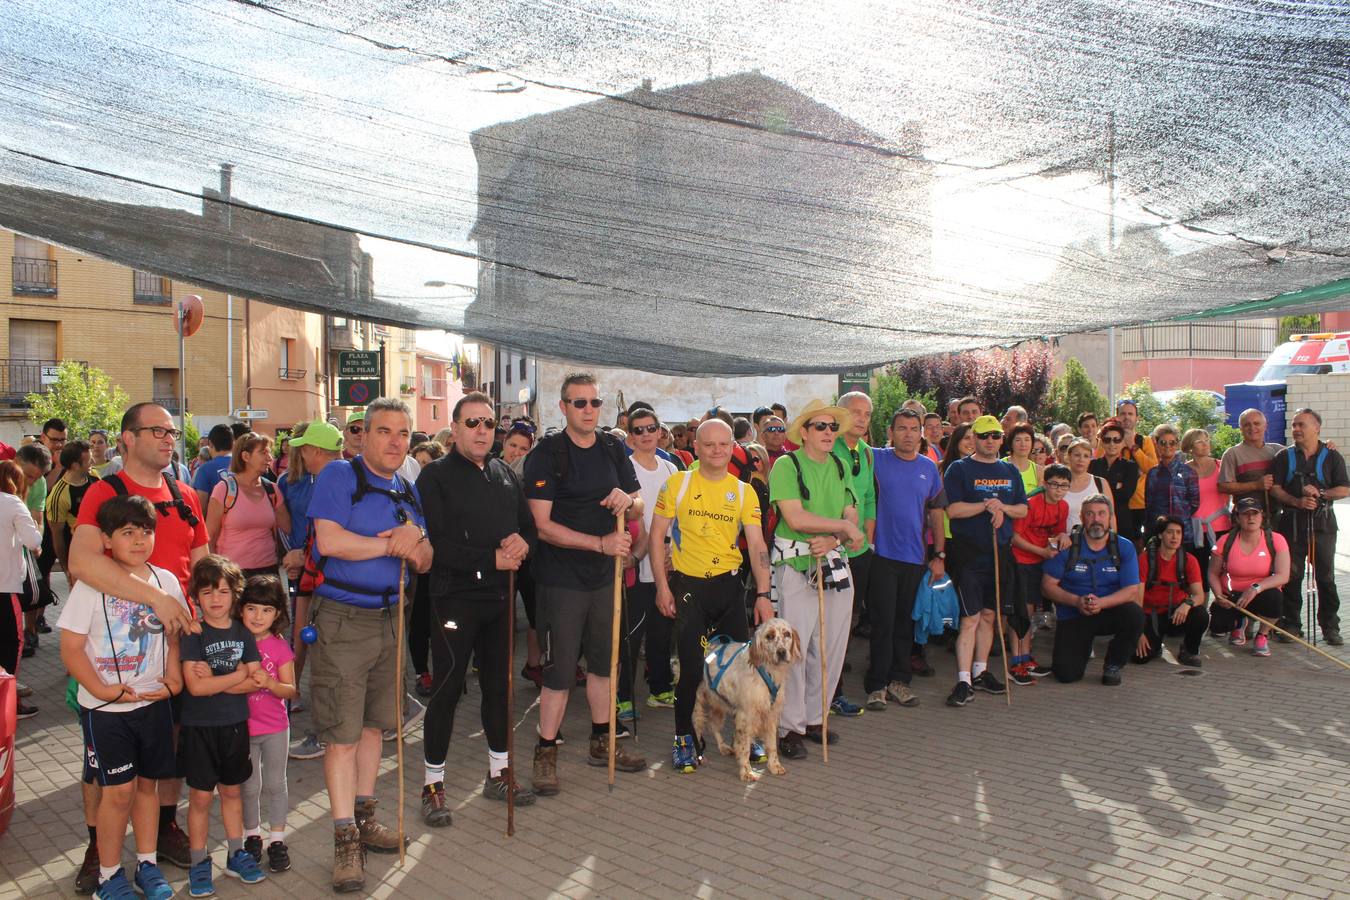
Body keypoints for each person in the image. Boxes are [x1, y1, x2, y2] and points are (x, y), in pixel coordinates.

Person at [70, 403, 205, 876]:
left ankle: (164, 830)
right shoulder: (104, 492)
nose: (170, 439)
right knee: (102, 761)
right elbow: (82, 562)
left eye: (172, 432)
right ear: (127, 438)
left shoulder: (186, 495)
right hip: (111, 655)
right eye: (158, 431)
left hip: (172, 649)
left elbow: (203, 565)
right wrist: (157, 599)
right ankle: (97, 848)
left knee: (166, 747)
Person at [306, 398, 432, 893]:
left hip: (391, 618)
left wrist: (414, 538)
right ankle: (343, 840)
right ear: (364, 434)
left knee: (378, 725)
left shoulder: (406, 486)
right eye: (384, 432)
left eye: (403, 433)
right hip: (343, 619)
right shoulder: (340, 476)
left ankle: (365, 816)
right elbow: (331, 542)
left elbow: (425, 557)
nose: (396, 441)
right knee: (342, 733)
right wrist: (392, 543)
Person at [415, 392, 538, 825]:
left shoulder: (505, 472)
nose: (483, 430)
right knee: (447, 691)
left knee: (499, 690)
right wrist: (490, 559)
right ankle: (433, 786)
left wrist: (525, 542)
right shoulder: (434, 478)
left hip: (500, 601)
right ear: (454, 429)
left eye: (488, 423)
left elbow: (527, 527)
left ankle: (499, 774)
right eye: (472, 423)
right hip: (454, 599)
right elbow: (437, 545)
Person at [57, 494, 187, 900]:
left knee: (147, 788)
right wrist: (100, 690)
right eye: (127, 533)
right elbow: (71, 648)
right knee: (117, 794)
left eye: (145, 532)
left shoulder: (165, 582)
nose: (138, 540)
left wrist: (173, 678)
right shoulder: (93, 585)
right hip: (107, 712)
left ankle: (146, 865)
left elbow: (175, 634)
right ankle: (108, 876)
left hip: (153, 705)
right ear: (107, 540)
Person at [523, 374, 646, 796]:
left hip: (605, 579)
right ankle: (545, 752)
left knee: (603, 664)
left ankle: (603, 740)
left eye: (594, 402)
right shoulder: (547, 455)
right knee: (559, 671)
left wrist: (628, 502)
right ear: (563, 408)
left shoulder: (613, 447)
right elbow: (541, 526)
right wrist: (601, 543)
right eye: (579, 403)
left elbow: (639, 500)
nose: (589, 409)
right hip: (563, 579)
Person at [650, 418, 772, 772]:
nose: (717, 451)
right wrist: (661, 586)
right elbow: (658, 537)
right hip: (690, 588)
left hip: (729, 588)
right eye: (709, 445)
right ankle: (685, 738)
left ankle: (746, 736)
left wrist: (762, 593)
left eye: (724, 444)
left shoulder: (744, 490)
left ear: (733, 446)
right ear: (698, 448)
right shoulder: (678, 483)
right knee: (690, 670)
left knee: (742, 669)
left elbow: (757, 544)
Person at [767, 399, 863, 757]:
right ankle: (787, 727)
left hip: (833, 560)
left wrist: (835, 537)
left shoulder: (841, 465)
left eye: (832, 427)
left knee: (831, 646)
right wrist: (839, 528)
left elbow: (850, 512)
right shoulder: (786, 466)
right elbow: (795, 518)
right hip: (796, 565)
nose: (827, 433)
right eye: (819, 427)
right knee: (793, 649)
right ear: (804, 432)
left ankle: (815, 718)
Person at [179, 555, 267, 895]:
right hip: (200, 727)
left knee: (232, 793)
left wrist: (220, 677)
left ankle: (235, 854)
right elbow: (196, 688)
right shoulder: (193, 635)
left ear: (235, 595)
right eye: (206, 592)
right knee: (200, 798)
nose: (215, 599)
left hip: (234, 725)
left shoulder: (243, 632)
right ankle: (199, 862)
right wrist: (237, 674)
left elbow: (257, 678)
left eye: (223, 591)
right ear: (197, 598)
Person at [864, 409, 945, 711]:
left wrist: (939, 554)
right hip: (882, 555)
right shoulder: (876, 459)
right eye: (902, 428)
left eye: (914, 428)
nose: (909, 434)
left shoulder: (929, 467)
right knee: (882, 623)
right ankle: (876, 685)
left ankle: (900, 681)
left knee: (904, 624)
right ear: (891, 431)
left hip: (915, 558)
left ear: (921, 433)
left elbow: (936, 513)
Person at [942, 415, 1025, 706]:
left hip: (999, 552)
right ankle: (963, 679)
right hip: (968, 552)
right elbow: (952, 510)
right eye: (984, 435)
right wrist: (985, 505)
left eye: (995, 435)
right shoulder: (959, 469)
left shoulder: (1010, 471)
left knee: (990, 615)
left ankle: (981, 671)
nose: (990, 440)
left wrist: (1003, 507)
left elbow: (1022, 510)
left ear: (1002, 439)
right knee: (971, 617)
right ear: (973, 438)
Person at [276, 421, 343, 762]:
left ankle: (325, 735)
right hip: (316, 577)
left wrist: (303, 555)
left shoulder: (337, 479)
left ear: (316, 451)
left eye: (303, 447)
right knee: (315, 648)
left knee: (326, 658)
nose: (298, 452)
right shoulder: (330, 477)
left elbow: (332, 537)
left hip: (328, 581)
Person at [1041, 495, 1144, 685]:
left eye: (1101, 514)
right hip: (1074, 613)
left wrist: (1101, 603)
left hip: (1109, 610)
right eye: (1090, 514)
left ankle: (1113, 664)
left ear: (1110, 518)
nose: (1096, 519)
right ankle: (1081, 647)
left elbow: (1131, 590)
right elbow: (1047, 586)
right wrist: (1076, 602)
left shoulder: (1124, 546)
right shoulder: (1067, 546)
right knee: (1066, 675)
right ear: (1081, 517)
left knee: (1135, 615)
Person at [1270, 408, 1347, 645]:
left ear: (1317, 428)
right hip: (1291, 525)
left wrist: (1321, 493)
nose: (1296, 429)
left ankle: (1330, 627)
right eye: (1294, 425)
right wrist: (1296, 501)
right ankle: (1291, 624)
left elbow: (1344, 488)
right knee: (1291, 576)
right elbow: (1275, 488)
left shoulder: (1332, 456)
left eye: (1302, 425)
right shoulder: (1284, 457)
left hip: (1323, 526)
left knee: (1325, 578)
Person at [236, 576, 295, 875]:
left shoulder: (279, 646)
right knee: (249, 786)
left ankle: (277, 840)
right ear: (241, 610)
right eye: (251, 608)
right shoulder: (235, 642)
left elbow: (290, 689)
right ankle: (252, 837)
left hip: (275, 728)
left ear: (277, 614)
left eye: (266, 610)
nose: (258, 617)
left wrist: (271, 684)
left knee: (275, 784)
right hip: (242, 728)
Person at [622, 406, 678, 717]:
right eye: (638, 430)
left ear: (660, 431)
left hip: (668, 562)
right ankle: (623, 697)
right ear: (630, 437)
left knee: (662, 630)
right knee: (631, 635)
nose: (645, 435)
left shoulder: (671, 470)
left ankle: (660, 689)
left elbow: (678, 517)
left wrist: (672, 550)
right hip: (637, 564)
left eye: (650, 428)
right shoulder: (624, 469)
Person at [831, 391, 874, 716]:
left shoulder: (868, 453)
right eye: (855, 412)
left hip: (859, 549)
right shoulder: (828, 448)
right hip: (829, 547)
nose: (861, 418)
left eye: (867, 413)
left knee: (849, 618)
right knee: (827, 622)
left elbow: (869, 497)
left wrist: (867, 536)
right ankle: (830, 694)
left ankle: (835, 690)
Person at [1009, 463, 1071, 683]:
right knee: (1022, 612)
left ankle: (1027, 658)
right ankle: (1017, 662)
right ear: (1045, 484)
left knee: (1031, 609)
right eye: (1054, 484)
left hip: (1039, 562)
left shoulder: (1063, 506)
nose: (1058, 490)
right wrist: (1041, 551)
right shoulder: (1031, 503)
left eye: (1064, 486)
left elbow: (1056, 532)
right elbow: (1014, 537)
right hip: (1021, 560)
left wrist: (1063, 536)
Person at [1207, 497, 1290, 656]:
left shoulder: (1276, 539)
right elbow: (1212, 573)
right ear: (1237, 518)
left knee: (1275, 599)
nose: (1251, 518)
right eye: (1245, 514)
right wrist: (1218, 595)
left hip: (1261, 593)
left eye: (1255, 513)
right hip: (1232, 595)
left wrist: (1255, 588)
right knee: (1218, 626)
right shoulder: (1225, 540)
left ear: (1262, 516)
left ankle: (1262, 635)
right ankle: (1240, 622)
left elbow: (1283, 575)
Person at [498, 421, 547, 687]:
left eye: (523, 448)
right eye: (513, 446)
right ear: (504, 444)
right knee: (501, 618)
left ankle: (533, 664)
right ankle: (494, 665)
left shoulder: (530, 474)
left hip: (527, 556)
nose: (517, 452)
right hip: (498, 555)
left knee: (534, 614)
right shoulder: (491, 472)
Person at [206, 432, 291, 579]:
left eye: (269, 453)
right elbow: (210, 537)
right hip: (232, 573)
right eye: (263, 453)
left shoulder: (272, 490)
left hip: (268, 572)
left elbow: (289, 529)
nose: (270, 458)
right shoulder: (224, 489)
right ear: (245, 457)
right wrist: (212, 573)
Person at [1134, 516, 1207, 667]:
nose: (1175, 537)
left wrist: (1187, 604)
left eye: (1178, 533)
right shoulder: (1145, 559)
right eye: (1170, 532)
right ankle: (1155, 644)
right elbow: (1137, 599)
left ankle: (1188, 650)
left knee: (1201, 615)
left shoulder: (1189, 560)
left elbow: (1199, 595)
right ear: (1160, 535)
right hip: (1151, 615)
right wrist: (1138, 632)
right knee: (1140, 658)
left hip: (1177, 613)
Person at [0, 460, 42, 718]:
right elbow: (33, 539)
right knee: (11, 644)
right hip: (5, 586)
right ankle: (9, 703)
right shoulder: (12, 502)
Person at [46, 440, 99, 588]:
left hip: (101, 552)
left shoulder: (94, 477)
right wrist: (67, 569)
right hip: (79, 557)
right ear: (75, 465)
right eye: (89, 460)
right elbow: (57, 536)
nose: (93, 462)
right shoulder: (59, 495)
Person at [1183, 427, 1228, 595]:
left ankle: (1227, 611)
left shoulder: (1220, 465)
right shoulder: (1183, 470)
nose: (1205, 444)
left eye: (1207, 440)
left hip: (1221, 527)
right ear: (1189, 447)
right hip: (1195, 530)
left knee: (1223, 572)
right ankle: (1202, 613)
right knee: (1199, 575)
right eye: (1199, 441)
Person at [1218, 409, 1282, 517]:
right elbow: (1223, 487)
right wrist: (1256, 485)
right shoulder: (1232, 454)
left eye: (1257, 423)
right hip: (1246, 518)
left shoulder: (1278, 451)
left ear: (1265, 426)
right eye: (1247, 425)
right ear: (1240, 429)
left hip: (1276, 518)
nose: (1252, 428)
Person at [1113, 398, 1158, 541]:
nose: (1126, 417)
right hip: (1116, 502)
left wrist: (1133, 446)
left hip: (1140, 503)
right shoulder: (1108, 440)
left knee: (1140, 545)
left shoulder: (1145, 441)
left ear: (1137, 418)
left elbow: (1151, 468)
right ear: (1117, 417)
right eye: (1123, 413)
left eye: (1130, 414)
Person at [1090, 418, 1139, 542]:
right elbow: (1090, 493)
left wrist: (1104, 486)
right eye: (1107, 440)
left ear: (1123, 443)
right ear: (1102, 442)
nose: (1112, 444)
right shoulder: (1092, 465)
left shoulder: (1130, 466)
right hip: (1095, 520)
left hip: (1122, 520)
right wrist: (1115, 484)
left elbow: (1126, 494)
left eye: (1117, 440)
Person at [1144, 424, 1199, 531]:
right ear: (1157, 445)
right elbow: (1149, 504)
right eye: (1163, 442)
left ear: (1177, 445)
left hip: (1182, 532)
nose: (1167, 446)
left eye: (1172, 442)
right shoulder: (1153, 473)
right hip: (1158, 531)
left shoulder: (1188, 472)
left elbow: (1194, 503)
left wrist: (1180, 514)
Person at [1063, 439, 1114, 532]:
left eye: (1086, 456)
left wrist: (1113, 541)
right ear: (1069, 456)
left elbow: (1111, 516)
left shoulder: (1101, 483)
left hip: (1096, 541)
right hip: (1064, 542)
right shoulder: (1059, 483)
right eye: (1077, 455)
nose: (1081, 459)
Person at [192, 425, 234, 509]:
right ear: (233, 443)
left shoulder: (205, 469)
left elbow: (201, 506)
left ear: (210, 444)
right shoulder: (244, 464)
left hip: (215, 520)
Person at [1003, 422, 1041, 498]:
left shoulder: (1038, 470)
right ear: (1011, 443)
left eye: (1027, 440)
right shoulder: (1000, 466)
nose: (1023, 444)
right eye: (1018, 440)